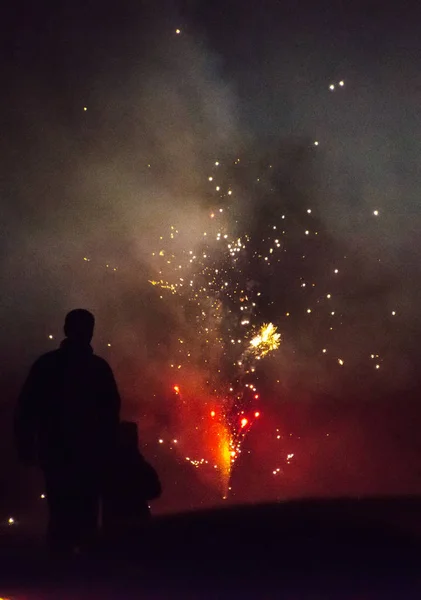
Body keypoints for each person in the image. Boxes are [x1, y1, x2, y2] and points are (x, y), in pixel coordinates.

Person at [15, 309, 121, 556]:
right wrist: (111, 449)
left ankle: (61, 572)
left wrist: (26, 446)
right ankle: (84, 575)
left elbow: (27, 408)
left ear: (65, 330)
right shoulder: (97, 368)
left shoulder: (47, 364)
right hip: (89, 453)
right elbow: (111, 411)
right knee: (86, 513)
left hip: (57, 451)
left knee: (60, 510)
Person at [102, 421, 162, 541]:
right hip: (133, 520)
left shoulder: (107, 465)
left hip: (116, 522)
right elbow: (155, 490)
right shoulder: (138, 464)